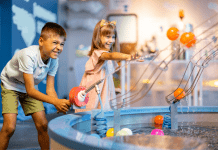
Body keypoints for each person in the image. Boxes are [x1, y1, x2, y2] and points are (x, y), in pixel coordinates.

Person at [0, 22, 71, 150]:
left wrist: (57, 104)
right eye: (55, 42)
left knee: (43, 125)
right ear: (41, 41)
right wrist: (56, 101)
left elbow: (50, 89)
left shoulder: (54, 60)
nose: (59, 47)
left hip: (29, 86)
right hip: (11, 84)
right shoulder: (28, 55)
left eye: (62, 44)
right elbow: (31, 91)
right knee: (9, 127)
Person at [76, 19, 133, 113]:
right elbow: (110, 55)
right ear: (98, 37)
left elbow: (110, 75)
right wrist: (128, 56)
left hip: (103, 94)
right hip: (92, 93)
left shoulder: (109, 59)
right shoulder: (98, 54)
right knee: (90, 114)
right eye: (107, 37)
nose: (111, 40)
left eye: (113, 37)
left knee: (102, 114)